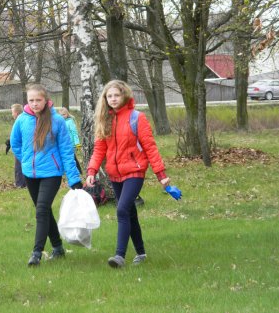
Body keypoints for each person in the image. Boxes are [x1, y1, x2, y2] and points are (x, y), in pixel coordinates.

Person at [85, 80, 171, 268]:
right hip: (115, 174)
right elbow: (99, 149)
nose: (113, 99)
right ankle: (140, 252)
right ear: (105, 99)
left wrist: (161, 174)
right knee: (130, 213)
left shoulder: (136, 117)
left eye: (117, 95)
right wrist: (92, 171)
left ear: (124, 96)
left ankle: (119, 256)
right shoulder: (104, 119)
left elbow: (150, 147)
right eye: (110, 96)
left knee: (122, 210)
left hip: (135, 171)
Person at [10, 84, 82, 266]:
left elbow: (66, 150)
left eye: (38, 100)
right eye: (31, 100)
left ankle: (36, 253)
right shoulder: (21, 120)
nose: (34, 104)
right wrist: (26, 160)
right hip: (30, 174)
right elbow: (15, 143)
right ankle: (57, 247)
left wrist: (74, 179)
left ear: (46, 100)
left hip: (52, 173)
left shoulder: (57, 121)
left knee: (41, 209)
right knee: (45, 210)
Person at [59, 107, 82, 174]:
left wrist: (77, 144)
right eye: (61, 115)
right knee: (65, 157)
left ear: (67, 114)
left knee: (72, 158)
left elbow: (74, 133)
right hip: (63, 144)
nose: (62, 116)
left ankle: (77, 171)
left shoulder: (70, 122)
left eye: (64, 114)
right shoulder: (60, 123)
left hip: (71, 144)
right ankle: (65, 171)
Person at [9, 103, 26, 188]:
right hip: (23, 146)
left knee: (19, 166)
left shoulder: (19, 120)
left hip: (20, 147)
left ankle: (20, 184)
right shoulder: (24, 118)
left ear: (16, 112)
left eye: (12, 112)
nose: (12, 114)